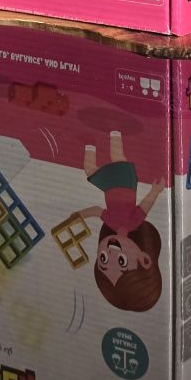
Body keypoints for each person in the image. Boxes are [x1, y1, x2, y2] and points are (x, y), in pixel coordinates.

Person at [79, 130, 165, 312]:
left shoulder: (111, 223)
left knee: (89, 170)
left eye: (103, 259)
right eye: (121, 261)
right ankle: (115, 130)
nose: (110, 253)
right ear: (144, 259)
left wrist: (78, 215)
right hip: (126, 184)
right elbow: (145, 206)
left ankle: (90, 141)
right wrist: (155, 191)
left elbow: (96, 210)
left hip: (109, 188)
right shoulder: (133, 223)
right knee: (117, 156)